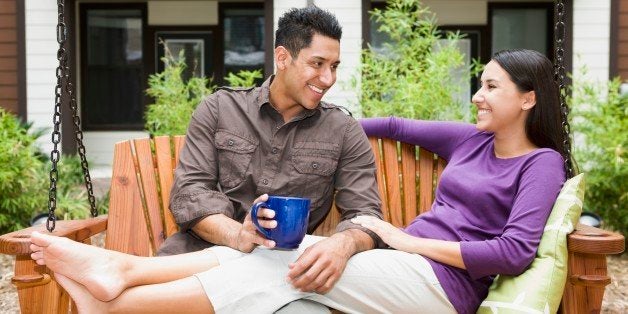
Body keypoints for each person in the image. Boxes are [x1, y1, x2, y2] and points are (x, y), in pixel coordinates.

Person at [30, 48, 568, 314]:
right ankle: (118, 279)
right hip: (399, 264)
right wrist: (327, 123)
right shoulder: (468, 139)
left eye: (491, 87)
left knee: (286, 262)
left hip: (442, 288)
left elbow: (513, 252)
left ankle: (115, 294)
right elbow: (395, 126)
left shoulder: (541, 164)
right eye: (479, 84)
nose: (477, 95)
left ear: (528, 98)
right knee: (284, 272)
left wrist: (404, 238)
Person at [157, 4, 383, 300]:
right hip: (196, 259)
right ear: (282, 58)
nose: (328, 79)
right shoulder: (220, 109)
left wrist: (343, 244)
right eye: (317, 64)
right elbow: (190, 193)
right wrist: (238, 234)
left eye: (334, 66)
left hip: (281, 274)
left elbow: (365, 214)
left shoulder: (343, 130)